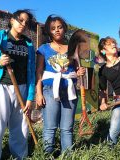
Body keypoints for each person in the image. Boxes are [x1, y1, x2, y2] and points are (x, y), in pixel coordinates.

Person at [0, 9, 36, 159]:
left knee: (21, 126)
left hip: (21, 88)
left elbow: (31, 71)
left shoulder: (28, 44)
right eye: (20, 20)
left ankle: (20, 156)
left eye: (26, 22)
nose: (23, 24)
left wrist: (30, 96)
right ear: (11, 20)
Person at [36, 15, 86, 154]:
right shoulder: (43, 49)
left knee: (67, 128)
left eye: (59, 27)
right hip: (49, 90)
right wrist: (38, 93)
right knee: (50, 127)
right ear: (49, 31)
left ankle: (68, 156)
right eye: (53, 28)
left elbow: (77, 69)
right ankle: (47, 155)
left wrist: (79, 71)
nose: (57, 30)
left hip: (69, 91)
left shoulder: (73, 48)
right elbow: (39, 72)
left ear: (64, 29)